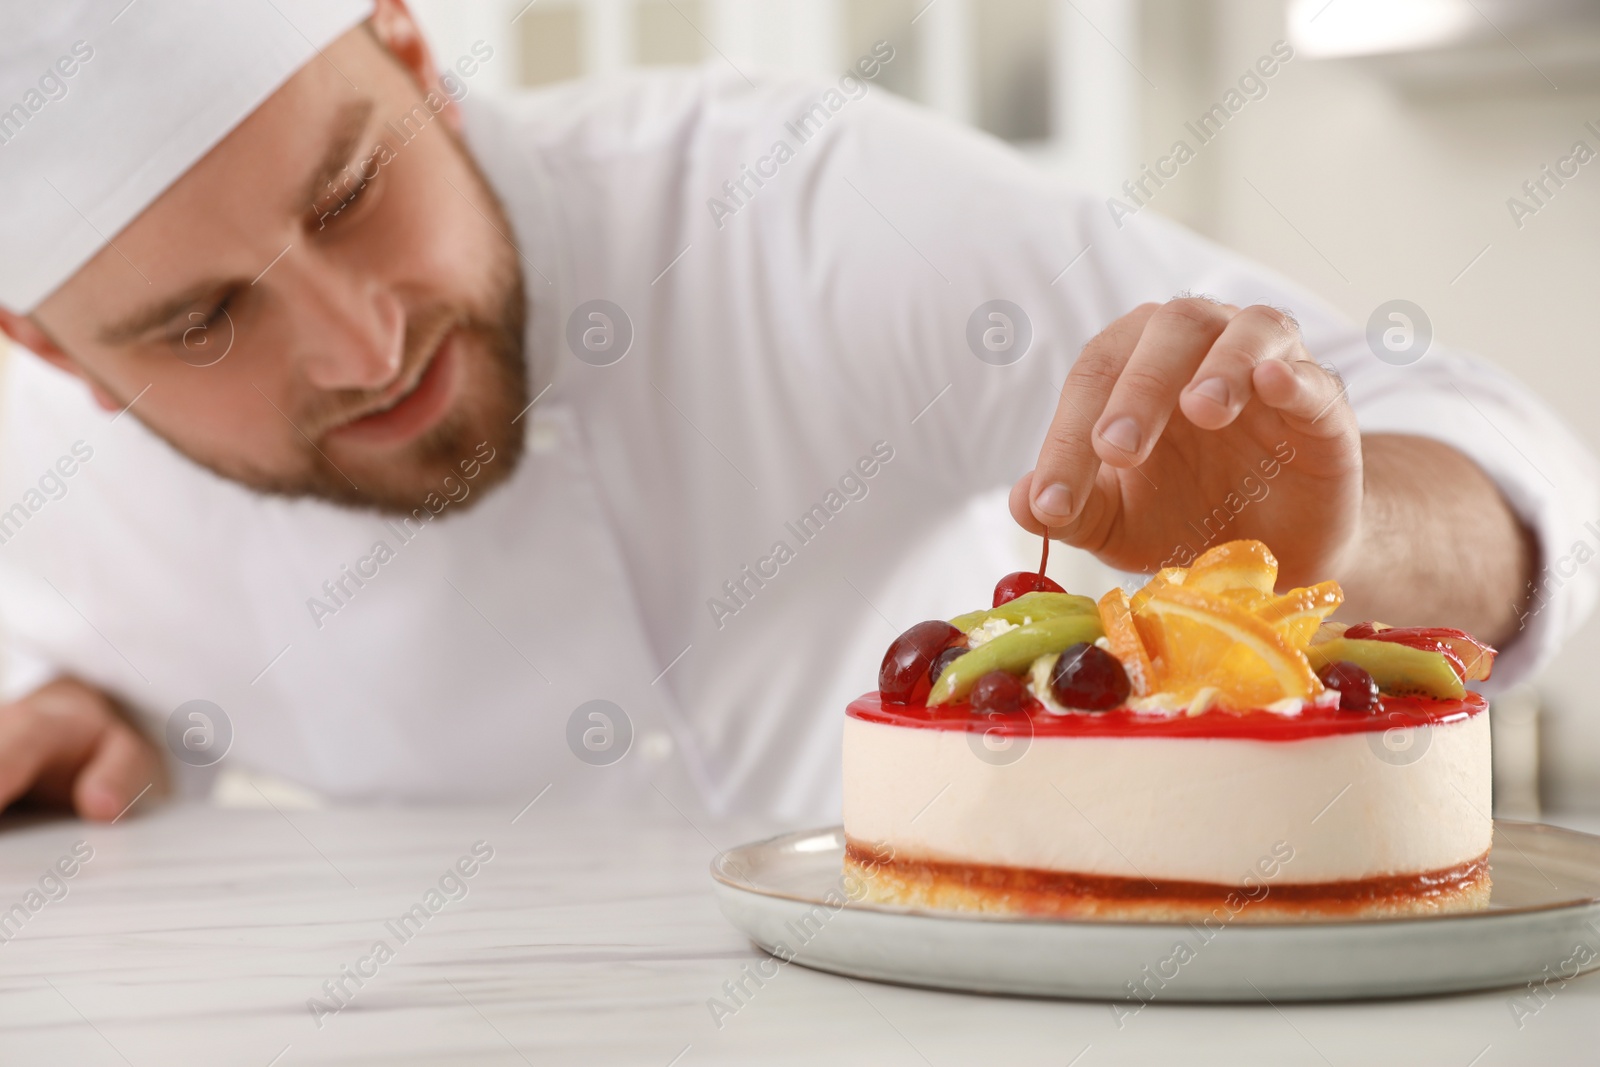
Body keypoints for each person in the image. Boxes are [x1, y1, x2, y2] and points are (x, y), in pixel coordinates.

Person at [0, 0, 1591, 823]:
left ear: (412, 53)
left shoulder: (786, 204)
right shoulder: (43, 485)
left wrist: (1342, 530)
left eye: (352, 194)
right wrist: (101, 719)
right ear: (54, 357)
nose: (359, 343)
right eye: (202, 322)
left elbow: (1517, 473)